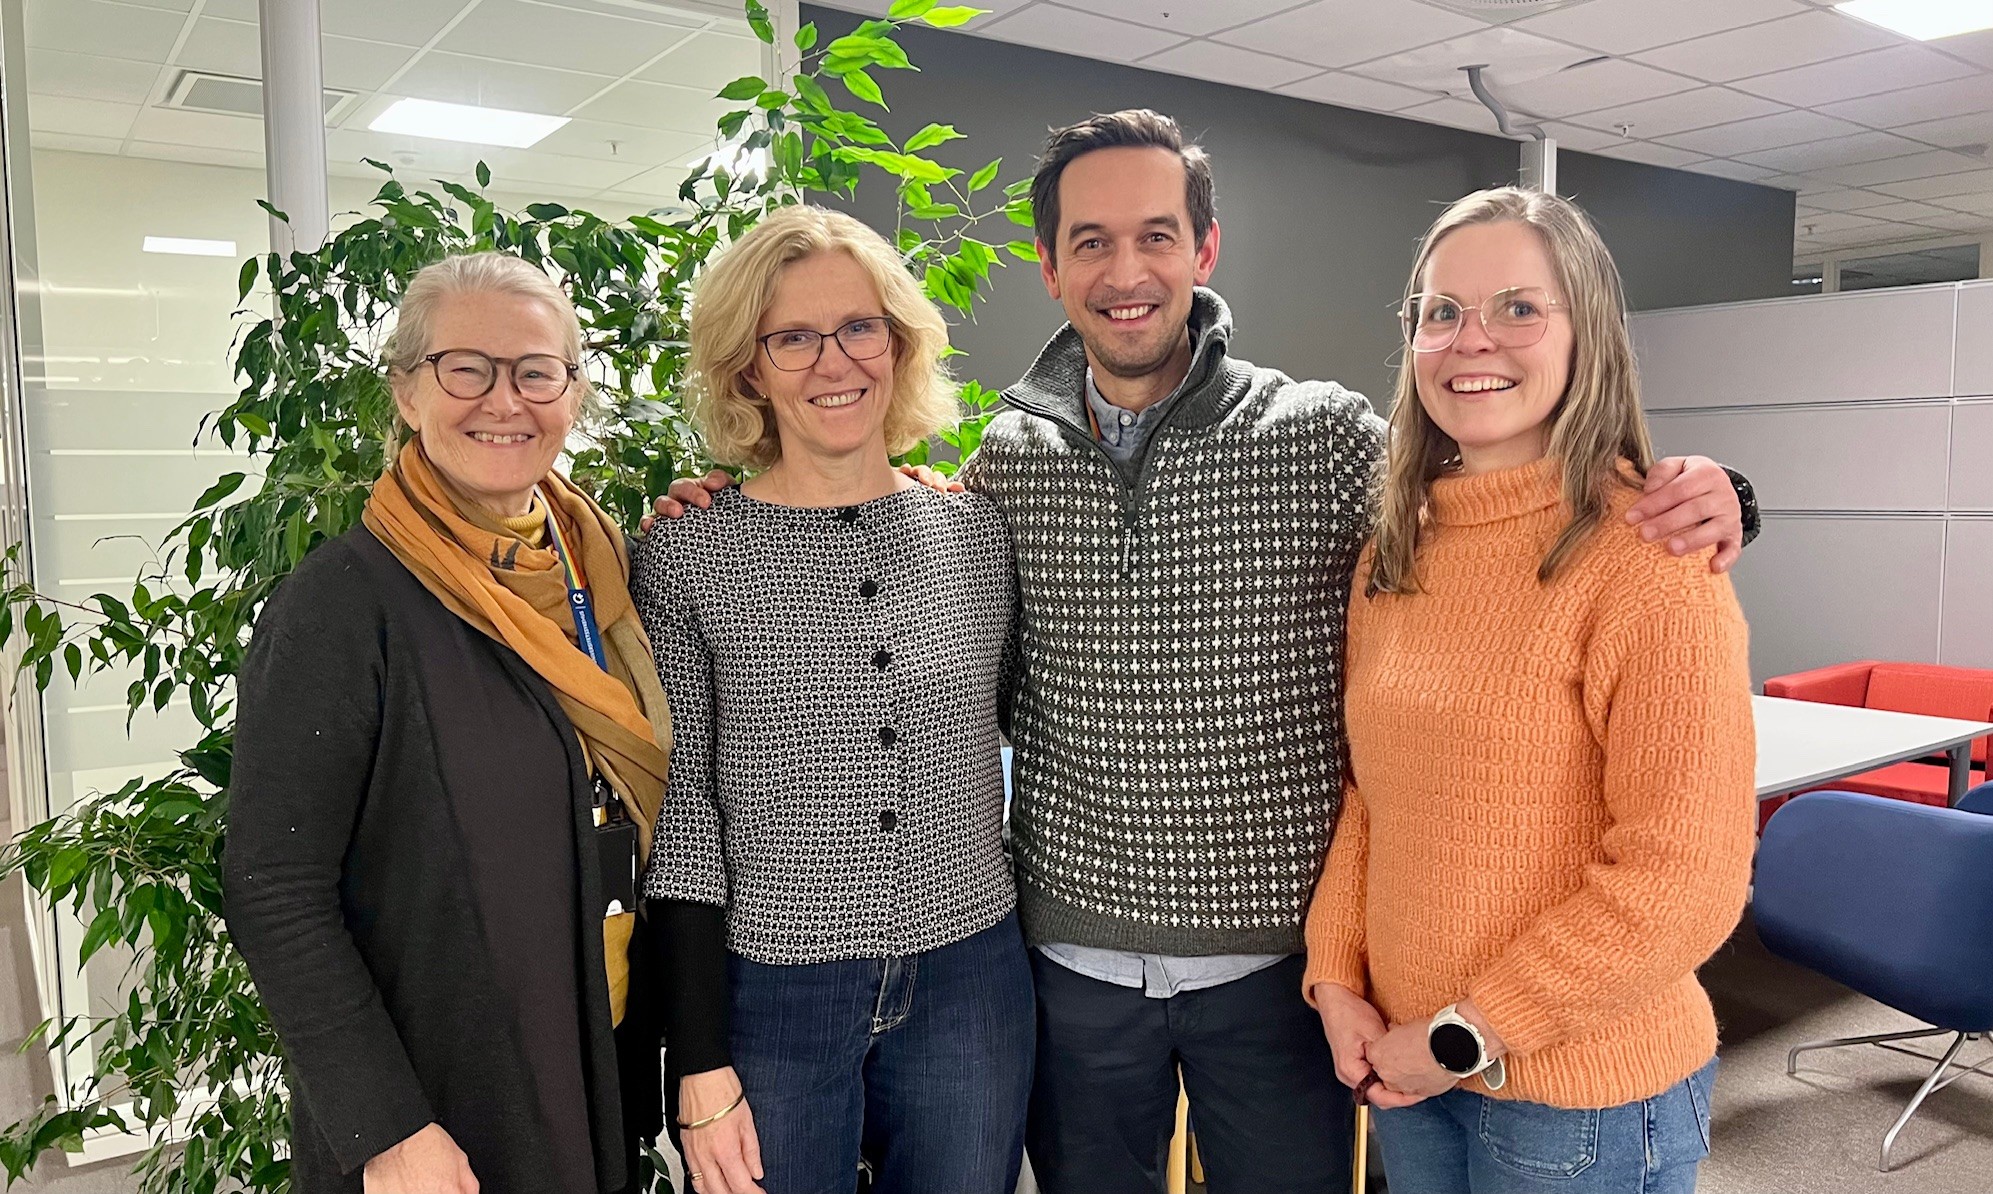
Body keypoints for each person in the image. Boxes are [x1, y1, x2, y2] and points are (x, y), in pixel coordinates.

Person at [658, 110, 1758, 1194]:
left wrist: (1716, 499)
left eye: (1153, 234)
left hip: (1280, 968)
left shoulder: (1322, 436)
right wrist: (723, 507)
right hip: (1068, 958)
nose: (1123, 268)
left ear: (1204, 249)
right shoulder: (1002, 468)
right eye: (1089, 240)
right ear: (1048, 265)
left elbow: (1487, 496)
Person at [1306, 187, 1756, 1194]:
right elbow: (1373, 799)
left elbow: (1685, 877)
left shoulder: (1648, 552)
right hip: (1412, 1070)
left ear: (1585, 330)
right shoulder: (1394, 550)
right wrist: (1337, 976)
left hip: (1582, 1097)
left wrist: (1471, 1033)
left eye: (1518, 306)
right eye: (1442, 310)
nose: (1475, 340)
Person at [222, 252, 669, 1194]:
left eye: (536, 371)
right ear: (407, 390)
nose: (503, 401)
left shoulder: (606, 572)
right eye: (465, 368)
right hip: (446, 1104)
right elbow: (273, 886)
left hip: (591, 1054)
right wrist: (389, 1130)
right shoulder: (342, 604)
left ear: (574, 392)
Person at [635, 203, 1030, 1194]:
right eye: (793, 338)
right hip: (772, 989)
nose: (833, 362)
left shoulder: (976, 533)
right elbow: (682, 822)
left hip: (971, 977)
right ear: (747, 368)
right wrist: (698, 1064)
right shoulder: (688, 551)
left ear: (897, 346)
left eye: (858, 328)